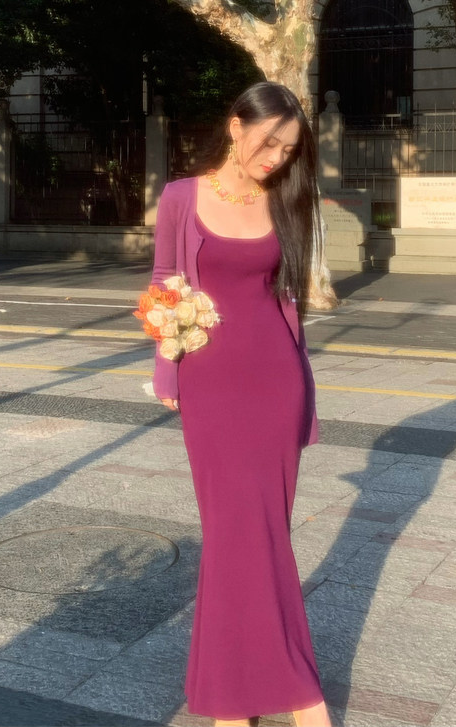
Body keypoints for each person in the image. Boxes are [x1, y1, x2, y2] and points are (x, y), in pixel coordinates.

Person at [150, 82, 332, 727]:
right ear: (236, 126)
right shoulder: (181, 197)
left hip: (275, 380)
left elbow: (289, 302)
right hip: (210, 381)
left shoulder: (288, 197)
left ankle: (237, 702)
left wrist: (306, 392)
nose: (276, 157)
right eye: (270, 141)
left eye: (289, 149)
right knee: (233, 535)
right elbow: (163, 282)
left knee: (265, 535)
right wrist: (167, 371)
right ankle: (292, 699)